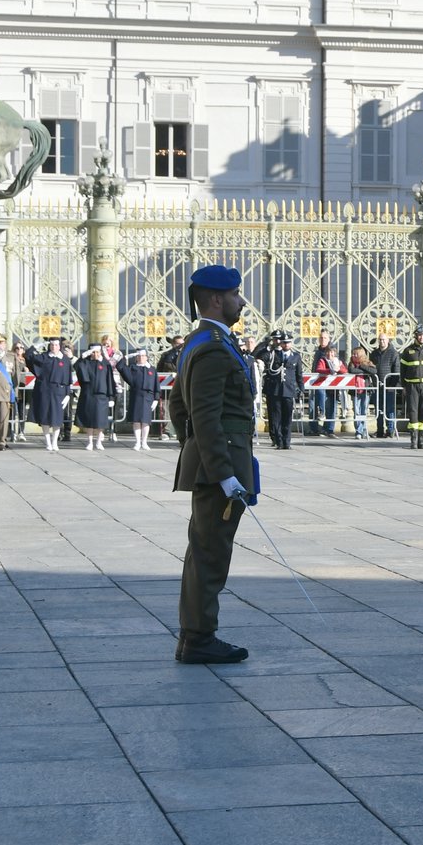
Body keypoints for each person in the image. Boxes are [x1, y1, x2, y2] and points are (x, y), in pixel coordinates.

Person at [167, 265, 255, 665]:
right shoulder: (213, 347)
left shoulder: (200, 341)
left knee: (204, 550)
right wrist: (221, 472)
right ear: (217, 299)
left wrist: (194, 452)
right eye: (235, 294)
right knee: (210, 554)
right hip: (220, 468)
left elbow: (177, 406)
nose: (241, 301)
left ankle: (193, 636)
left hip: (213, 462)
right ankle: (200, 638)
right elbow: (203, 416)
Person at [23, 337, 72, 451]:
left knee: (57, 419)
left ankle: (55, 442)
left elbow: (68, 378)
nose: (54, 347)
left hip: (59, 392)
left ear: (59, 346)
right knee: (44, 417)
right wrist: (36, 346)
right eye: (51, 345)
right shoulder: (44, 357)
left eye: (56, 345)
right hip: (44, 391)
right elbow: (28, 356)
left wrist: (67, 394)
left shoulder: (65, 359)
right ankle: (48, 442)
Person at [261, 332, 304, 449]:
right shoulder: (274, 354)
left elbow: (299, 374)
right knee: (276, 418)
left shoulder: (296, 356)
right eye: (284, 343)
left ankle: (287, 442)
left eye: (288, 342)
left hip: (289, 390)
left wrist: (301, 388)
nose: (286, 345)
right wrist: (267, 345)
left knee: (287, 418)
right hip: (276, 390)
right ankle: (279, 441)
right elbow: (260, 356)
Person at [399, 326, 423, 449]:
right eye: (420, 335)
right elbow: (402, 370)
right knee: (413, 411)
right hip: (412, 385)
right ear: (416, 336)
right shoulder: (408, 351)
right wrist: (404, 386)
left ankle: (421, 439)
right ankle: (413, 439)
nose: (421, 337)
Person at [73, 343, 117, 452]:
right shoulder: (86, 362)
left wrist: (111, 397)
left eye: (97, 352)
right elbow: (76, 366)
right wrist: (83, 357)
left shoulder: (105, 364)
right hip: (88, 394)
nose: (95, 354)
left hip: (101, 396)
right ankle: (89, 442)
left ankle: (98, 442)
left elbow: (110, 381)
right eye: (93, 352)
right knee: (89, 420)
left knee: (100, 420)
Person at [118, 346, 160, 450]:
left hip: (148, 397)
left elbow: (156, 385)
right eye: (139, 356)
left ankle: (144, 442)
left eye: (143, 356)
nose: (141, 358)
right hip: (136, 396)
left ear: (147, 357)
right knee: (136, 420)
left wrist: (156, 399)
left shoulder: (152, 369)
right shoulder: (132, 368)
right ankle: (137, 442)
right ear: (136, 357)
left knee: (146, 421)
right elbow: (120, 366)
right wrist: (126, 357)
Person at [369, 333, 400, 438]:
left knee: (389, 409)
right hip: (377, 386)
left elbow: (396, 370)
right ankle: (380, 430)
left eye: (384, 340)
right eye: (380, 340)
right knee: (378, 409)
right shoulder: (374, 353)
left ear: (388, 340)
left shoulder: (393, 353)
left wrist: (391, 386)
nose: (382, 341)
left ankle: (390, 430)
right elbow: (371, 367)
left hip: (389, 386)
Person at [347, 346, 379, 439]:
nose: (354, 355)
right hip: (355, 390)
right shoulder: (351, 363)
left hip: (366, 389)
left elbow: (373, 371)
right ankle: (359, 431)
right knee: (357, 411)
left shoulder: (367, 362)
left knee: (363, 410)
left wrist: (362, 366)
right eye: (353, 354)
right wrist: (364, 371)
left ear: (361, 354)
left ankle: (363, 430)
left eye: (356, 354)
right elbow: (352, 370)